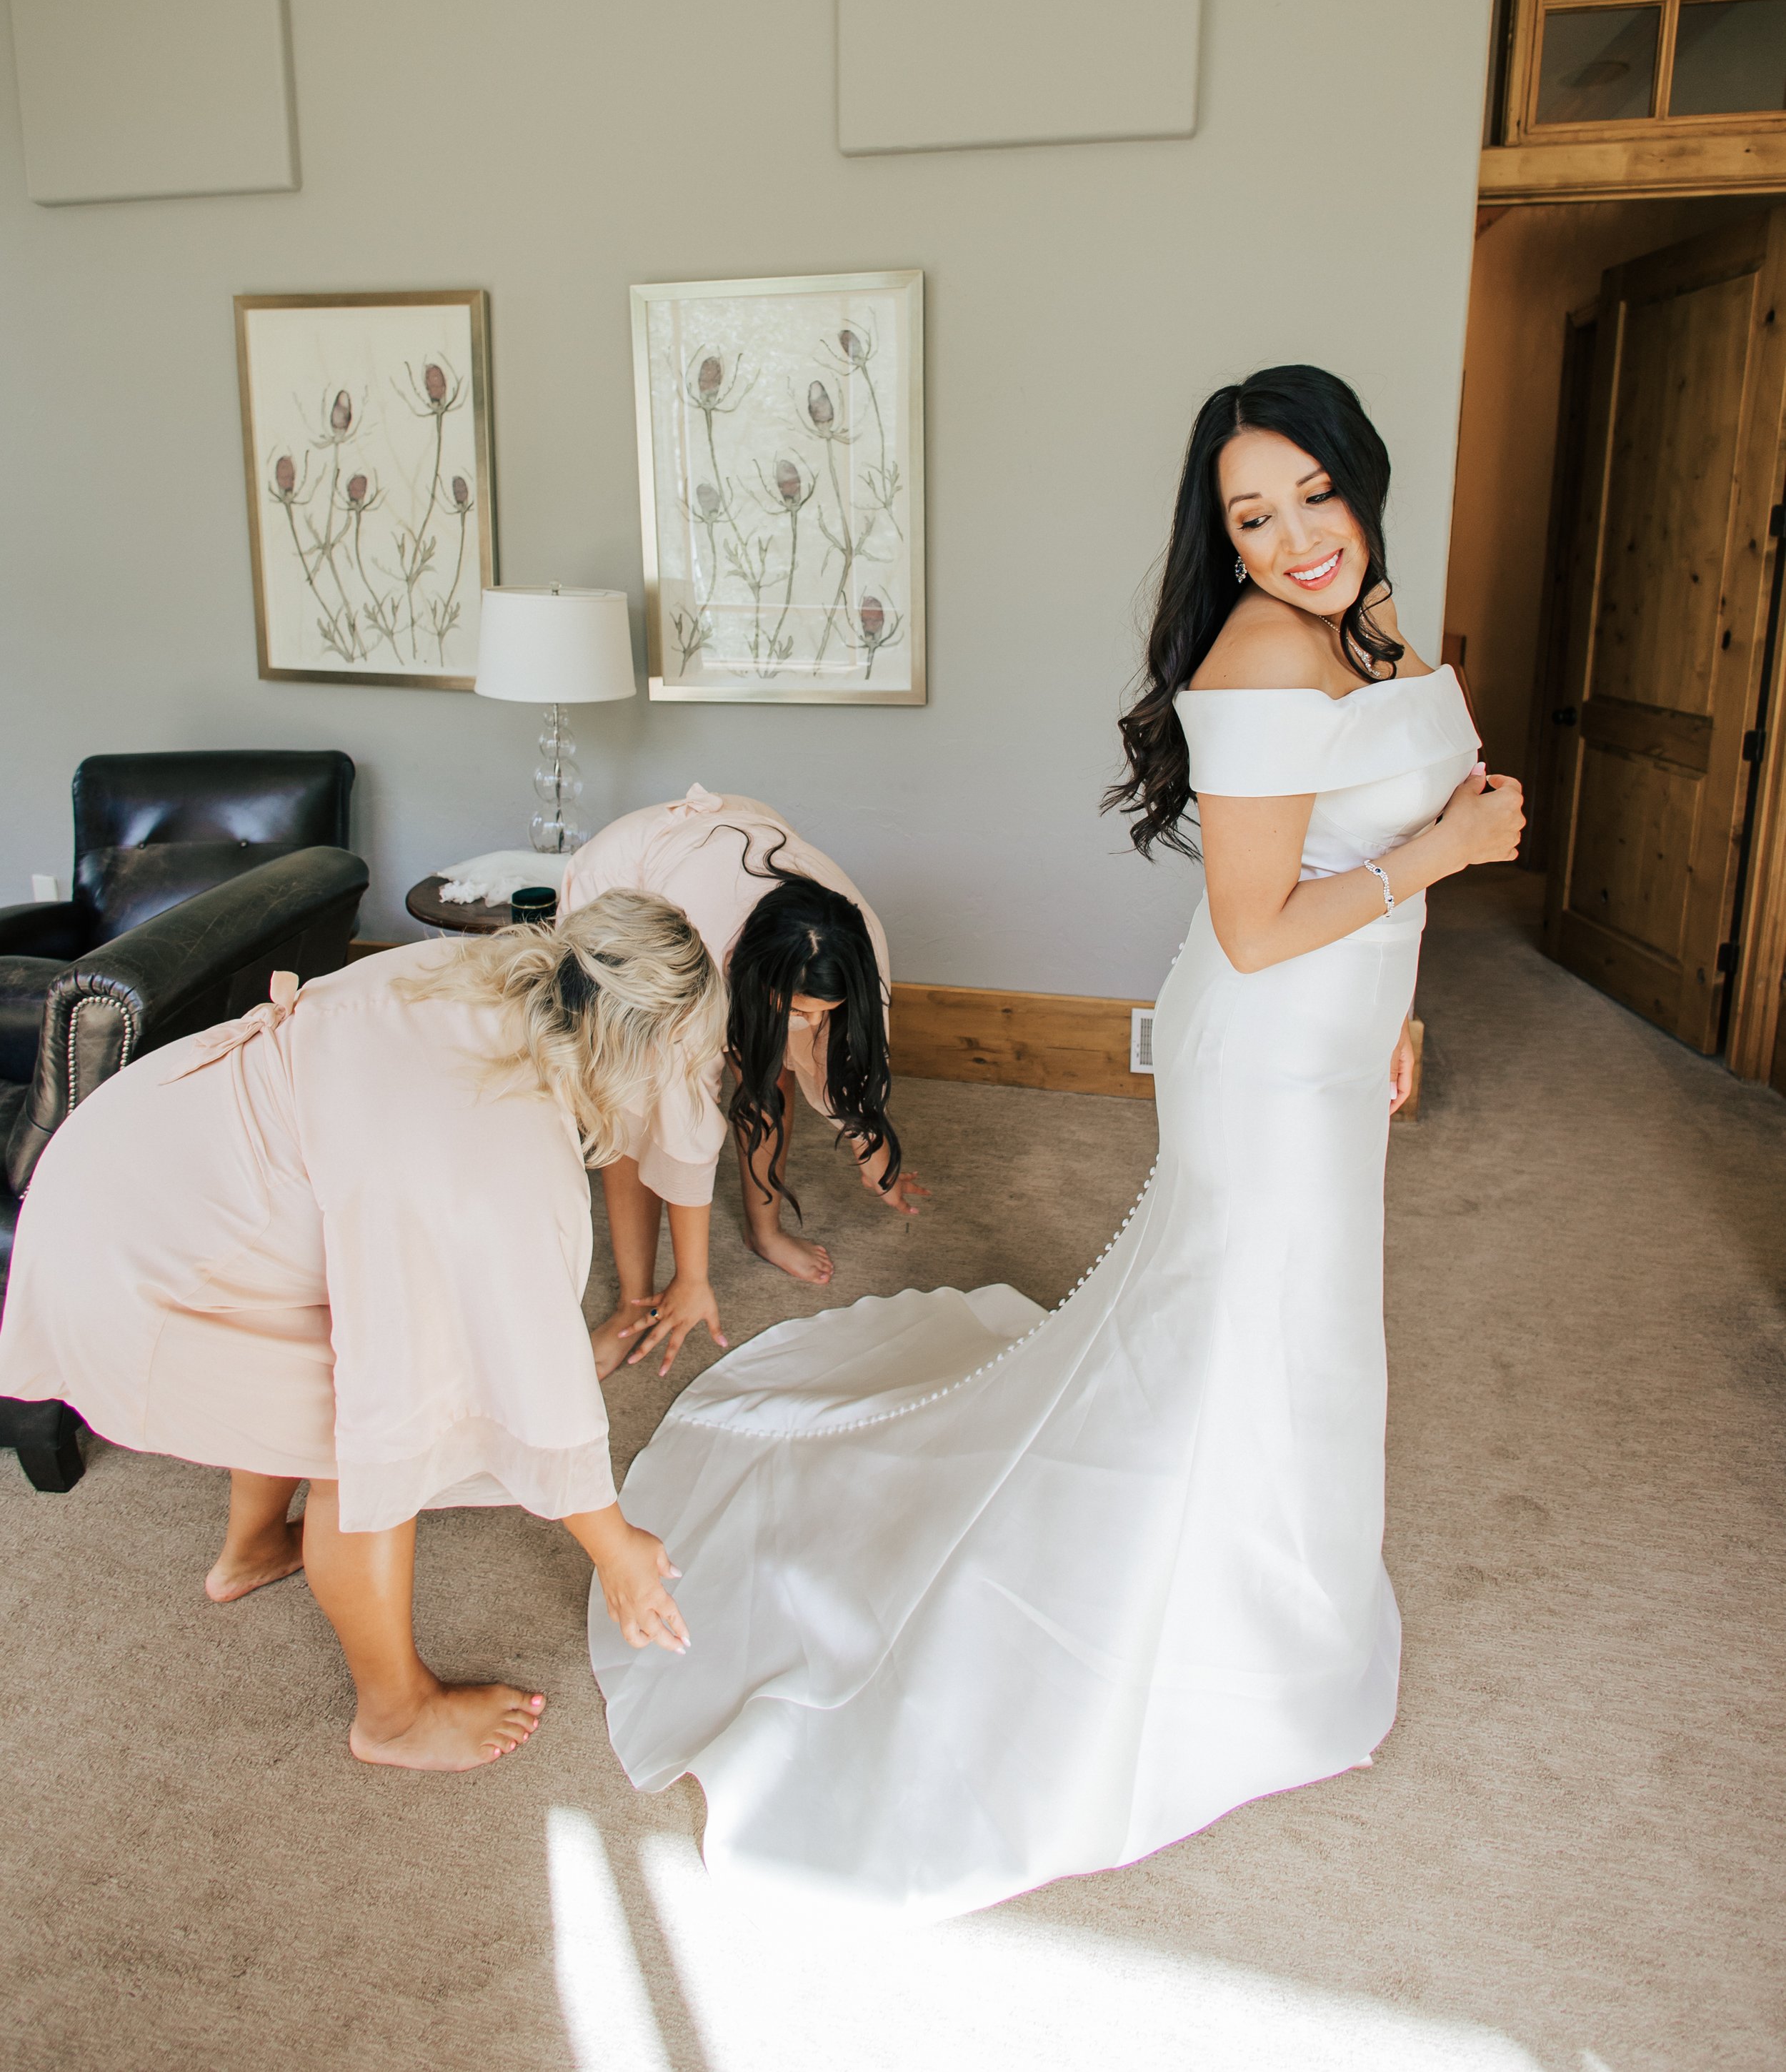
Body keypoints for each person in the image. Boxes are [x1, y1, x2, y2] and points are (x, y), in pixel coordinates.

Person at [583, 364, 1524, 1919]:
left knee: (1299, 1327)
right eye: (1251, 515)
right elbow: (1252, 917)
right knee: (1253, 1319)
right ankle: (1202, 1617)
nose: (1295, 536)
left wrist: (1400, 1007)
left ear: (1358, 482)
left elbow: (1354, 859)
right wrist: (1444, 851)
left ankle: (1275, 1600)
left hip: (1337, 1026)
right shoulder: (1256, 657)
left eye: (1313, 495)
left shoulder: (1368, 629)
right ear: (1217, 539)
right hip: (1265, 1046)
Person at [0, 892, 725, 1773]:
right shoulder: (497, 1155)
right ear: (635, 1044)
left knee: (332, 1342)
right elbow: (516, 1364)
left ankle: (252, 1549)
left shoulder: (474, 973)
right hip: (140, 1271)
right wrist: (619, 1551)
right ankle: (395, 1714)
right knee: (383, 1429)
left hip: (123, 1159)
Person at [555, 787, 922, 1379]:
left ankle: (764, 1229)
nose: (814, 1025)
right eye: (801, 1007)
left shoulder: (855, 944)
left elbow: (839, 1057)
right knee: (630, 1108)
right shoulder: (688, 968)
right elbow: (686, 1128)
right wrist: (692, 1278)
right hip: (630, 893)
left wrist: (869, 1140)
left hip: (731, 851)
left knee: (767, 1067)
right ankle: (633, 1304)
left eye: (823, 1009)